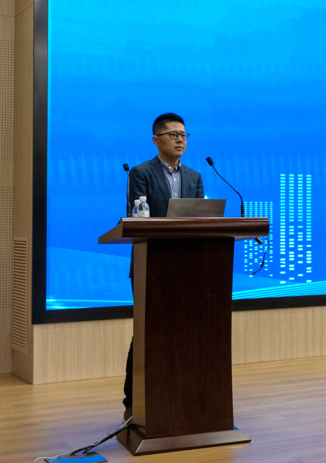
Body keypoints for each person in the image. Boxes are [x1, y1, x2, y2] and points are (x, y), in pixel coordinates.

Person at [123, 112, 204, 423]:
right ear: (156, 140)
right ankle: (133, 403)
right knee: (147, 333)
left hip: (186, 267)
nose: (180, 140)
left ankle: (180, 398)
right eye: (173, 134)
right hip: (151, 264)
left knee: (185, 333)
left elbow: (200, 222)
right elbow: (138, 218)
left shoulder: (195, 177)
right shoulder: (140, 173)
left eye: (184, 134)